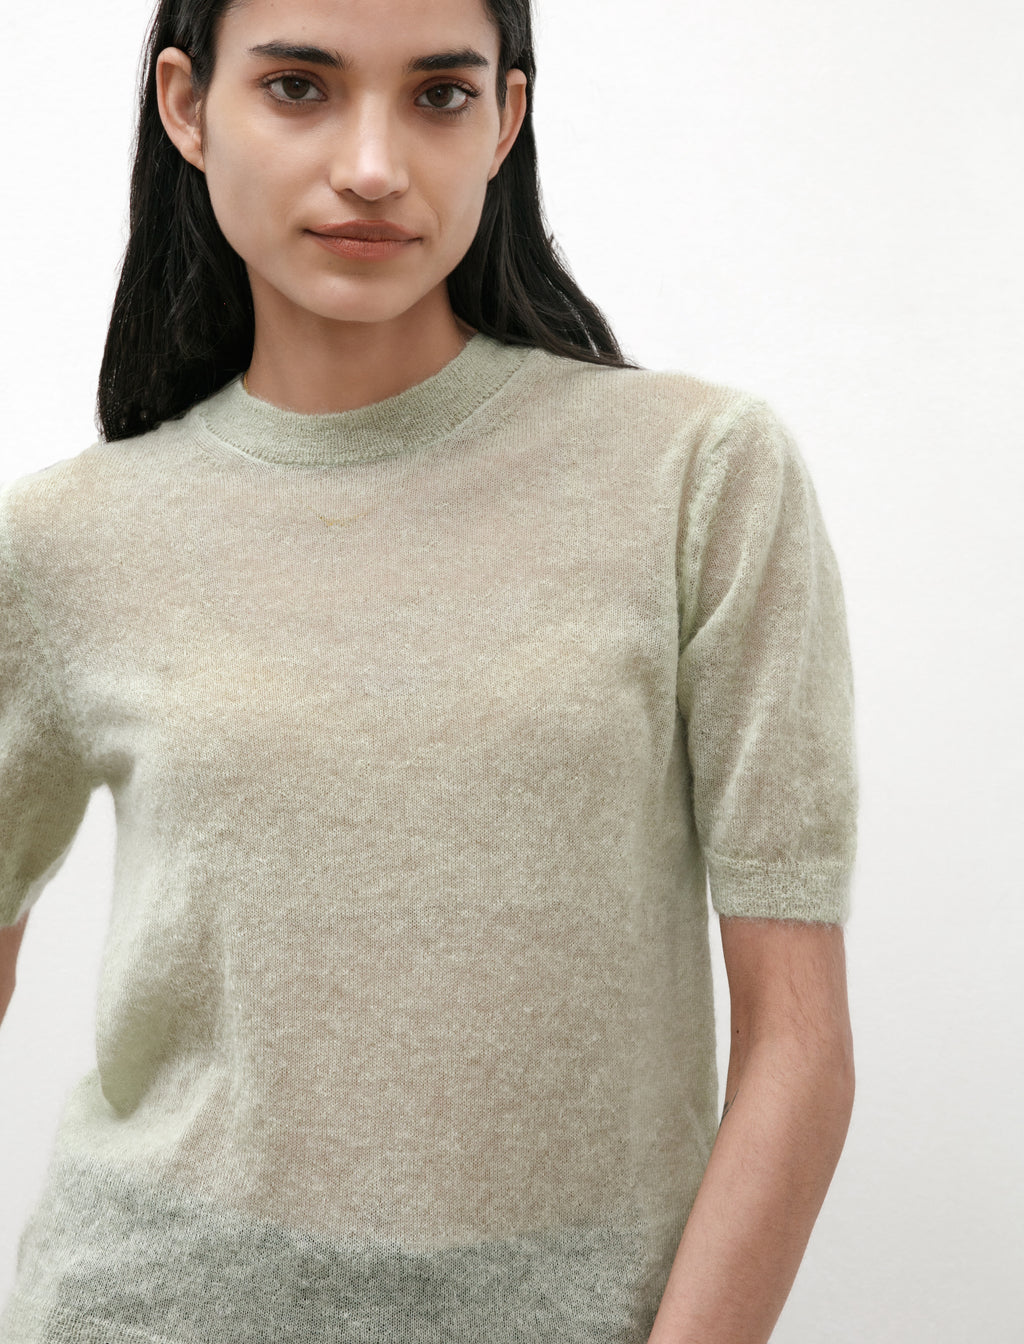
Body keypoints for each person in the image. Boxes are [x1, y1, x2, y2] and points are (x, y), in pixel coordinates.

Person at [0, 0, 858, 1341]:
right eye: (299, 87)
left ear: (506, 117)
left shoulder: (697, 479)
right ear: (187, 106)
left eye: (439, 96)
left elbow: (800, 1046)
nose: (372, 166)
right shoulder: (65, 541)